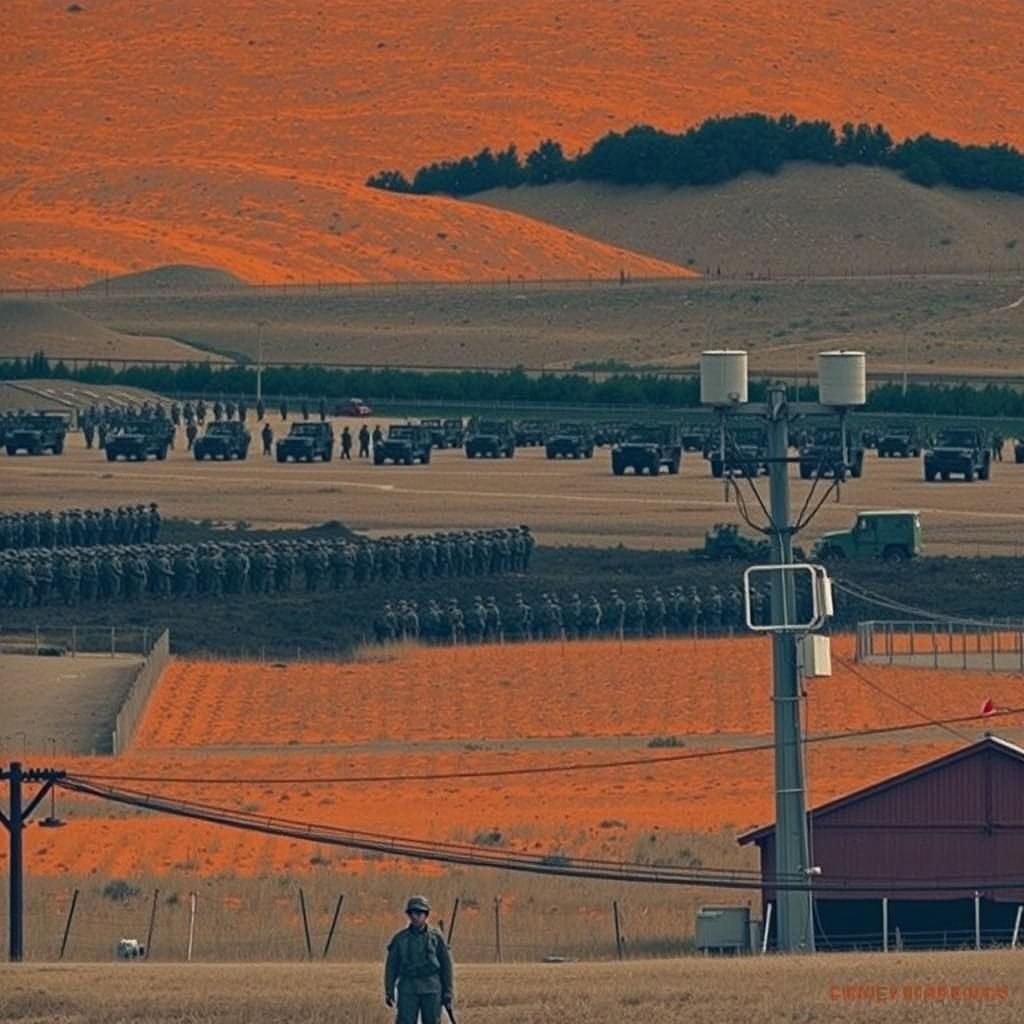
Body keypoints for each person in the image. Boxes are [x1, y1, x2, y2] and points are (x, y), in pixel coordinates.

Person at [384, 896, 454, 1024]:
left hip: (431, 988)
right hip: (408, 988)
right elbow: (391, 967)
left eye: (419, 913)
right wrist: (389, 990)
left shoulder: (436, 938)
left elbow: (446, 966)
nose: (415, 916)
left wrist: (448, 992)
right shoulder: (400, 939)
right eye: (411, 913)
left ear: (426, 915)